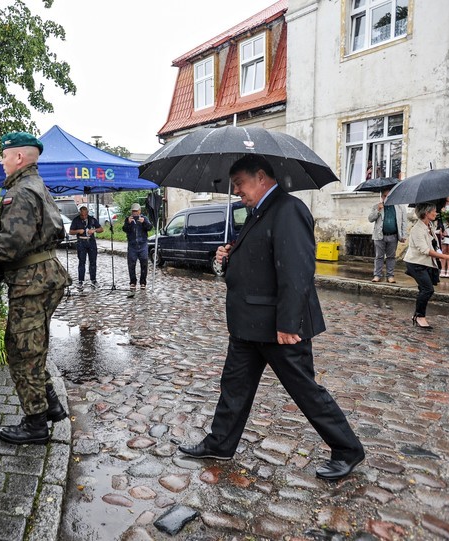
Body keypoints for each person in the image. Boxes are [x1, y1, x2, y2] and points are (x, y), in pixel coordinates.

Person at [179, 154, 365, 482]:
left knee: (305, 390)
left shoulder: (288, 209)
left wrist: (289, 324)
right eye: (235, 186)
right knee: (234, 386)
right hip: (249, 326)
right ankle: (220, 443)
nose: (237, 191)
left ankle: (348, 449)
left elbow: (297, 271)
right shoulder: (257, 212)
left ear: (261, 177)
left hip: (279, 328)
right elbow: (258, 262)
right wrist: (228, 256)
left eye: (240, 184)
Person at [0, 132, 71, 445]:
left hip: (32, 282)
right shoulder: (38, 186)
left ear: (18, 157)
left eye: (5, 155)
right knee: (34, 346)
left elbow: (9, 246)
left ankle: (35, 423)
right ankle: (51, 406)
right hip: (43, 277)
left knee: (23, 352)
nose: (2, 161)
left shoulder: (20, 191)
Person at [403, 202, 449, 329]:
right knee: (427, 289)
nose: (436, 213)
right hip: (415, 263)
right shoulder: (417, 229)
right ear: (426, 213)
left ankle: (417, 314)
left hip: (425, 263)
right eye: (433, 211)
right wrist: (448, 257)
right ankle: (419, 316)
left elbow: (433, 245)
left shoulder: (429, 225)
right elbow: (425, 250)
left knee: (424, 289)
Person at [368, 188, 407, 283]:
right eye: (385, 196)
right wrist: (378, 210)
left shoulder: (399, 207)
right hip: (379, 235)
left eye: (389, 196)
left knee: (391, 257)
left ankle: (390, 275)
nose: (387, 198)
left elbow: (403, 222)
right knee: (379, 256)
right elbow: (370, 219)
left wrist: (403, 235)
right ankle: (377, 275)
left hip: (393, 236)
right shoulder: (377, 206)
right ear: (381, 197)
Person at [69, 205, 103, 288]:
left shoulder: (92, 219)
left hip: (91, 241)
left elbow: (101, 229)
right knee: (81, 262)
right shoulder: (76, 220)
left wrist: (94, 230)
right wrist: (78, 231)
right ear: (79, 213)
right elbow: (70, 232)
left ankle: (93, 280)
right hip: (81, 242)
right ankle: (81, 281)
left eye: (85, 215)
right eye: (82, 215)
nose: (83, 216)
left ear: (87, 213)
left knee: (93, 262)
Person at [122, 202, 152, 290]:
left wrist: (144, 223)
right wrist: (128, 223)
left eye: (136, 211)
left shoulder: (144, 218)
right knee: (131, 264)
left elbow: (150, 228)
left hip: (143, 245)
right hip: (132, 245)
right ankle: (133, 282)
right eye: (133, 211)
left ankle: (143, 282)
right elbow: (124, 229)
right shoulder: (128, 219)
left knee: (144, 264)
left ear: (140, 211)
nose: (134, 213)